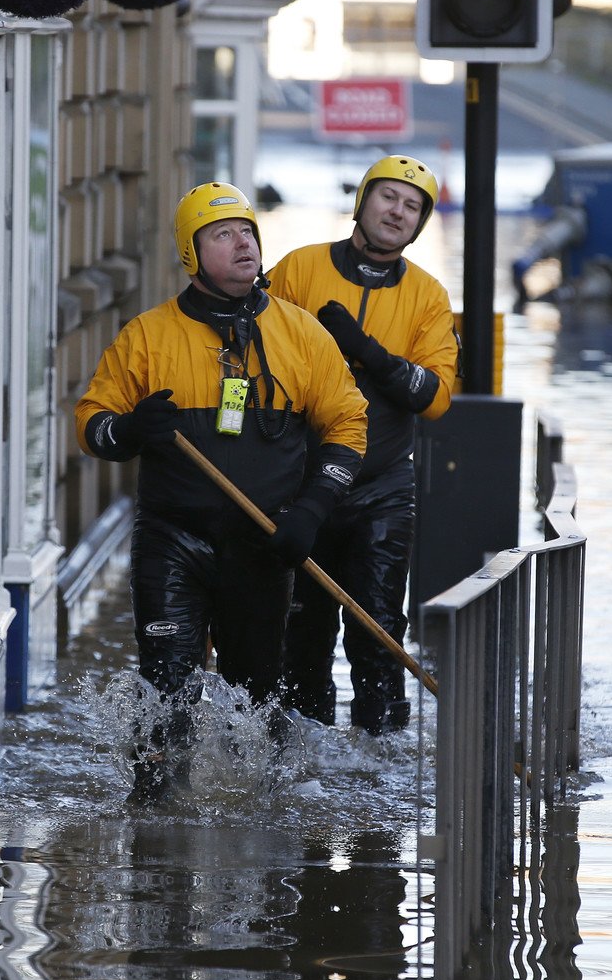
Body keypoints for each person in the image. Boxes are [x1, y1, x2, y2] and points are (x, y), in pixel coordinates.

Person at [75, 181, 367, 802]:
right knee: (167, 693)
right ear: (191, 253)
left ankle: (255, 830)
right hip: (173, 542)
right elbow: (92, 424)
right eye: (222, 234)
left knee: (257, 704)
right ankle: (156, 829)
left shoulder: (302, 334)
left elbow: (349, 425)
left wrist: (313, 511)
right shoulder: (147, 337)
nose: (242, 244)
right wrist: (127, 428)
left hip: (265, 546)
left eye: (247, 232)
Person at [266, 155, 458, 736]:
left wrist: (366, 350)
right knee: (302, 635)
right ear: (363, 201)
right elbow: (251, 351)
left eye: (412, 206)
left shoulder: (427, 296)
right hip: (300, 481)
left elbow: (435, 395)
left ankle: (377, 769)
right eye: (388, 198)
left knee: (377, 633)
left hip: (380, 488)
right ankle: (306, 769)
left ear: (420, 222)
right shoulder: (299, 268)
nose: (397, 213)